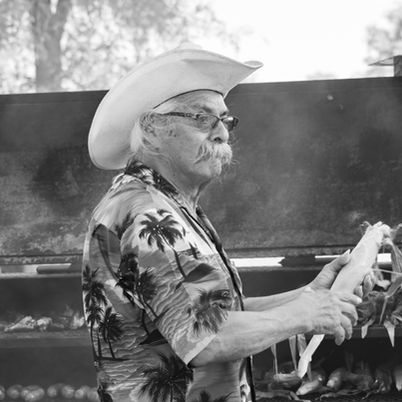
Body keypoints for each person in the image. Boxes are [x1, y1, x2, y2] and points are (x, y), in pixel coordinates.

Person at [82, 44, 368, 402]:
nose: (222, 133)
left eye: (225, 120)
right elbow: (207, 338)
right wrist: (305, 314)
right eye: (202, 118)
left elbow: (214, 314)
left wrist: (310, 295)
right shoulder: (146, 214)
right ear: (152, 129)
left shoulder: (170, 206)